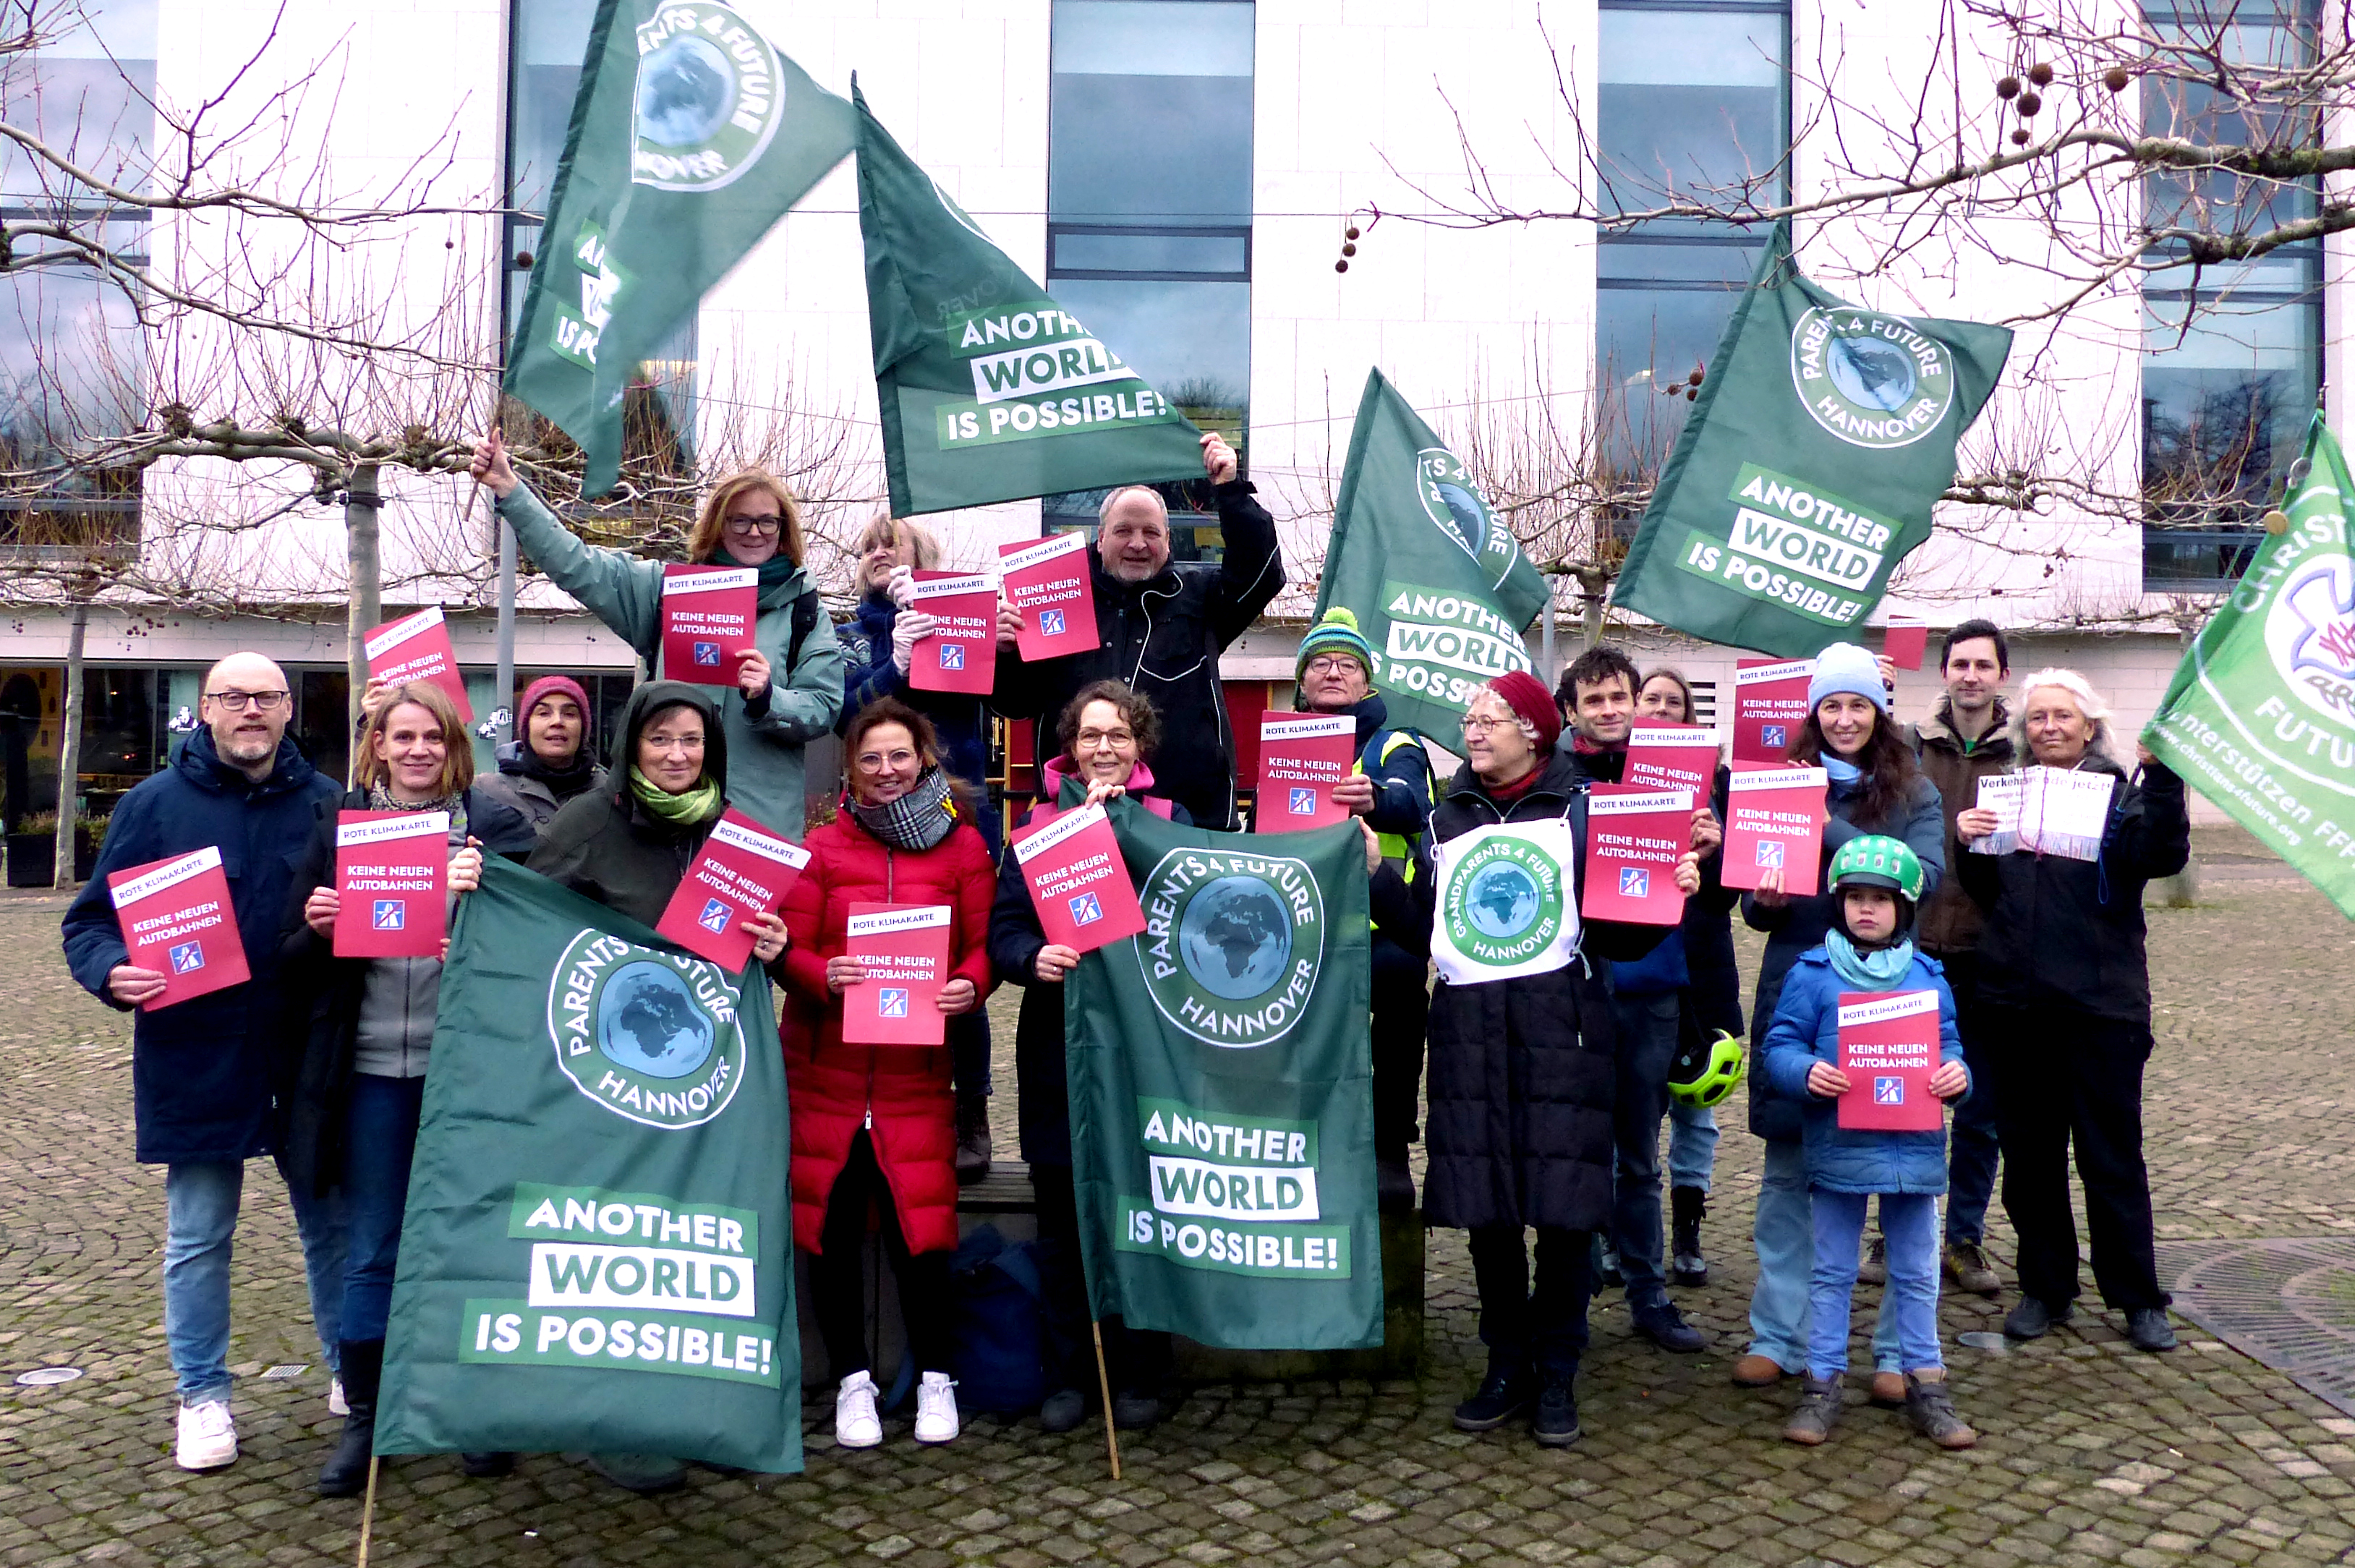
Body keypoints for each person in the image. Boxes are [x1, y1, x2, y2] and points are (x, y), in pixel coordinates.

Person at [1370, 670, 1705, 1447]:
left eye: (1489, 719)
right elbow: (1432, 932)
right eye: (1468, 718)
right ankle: (1505, 1361)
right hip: (1470, 1036)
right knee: (1489, 1209)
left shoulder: (1584, 808)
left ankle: (1557, 1366)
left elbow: (1619, 936)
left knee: (1560, 1211)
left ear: (1533, 730)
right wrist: (1380, 877)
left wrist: (1667, 892)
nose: (1473, 730)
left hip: (1566, 1033)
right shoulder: (1444, 816)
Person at [60, 653, 349, 1471]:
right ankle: (202, 1393)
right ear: (206, 709)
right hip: (196, 1049)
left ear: (290, 708)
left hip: (303, 1052)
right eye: (232, 696)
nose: (249, 709)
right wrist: (110, 970)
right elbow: (88, 923)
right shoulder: (152, 805)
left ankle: (348, 1369)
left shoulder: (331, 805)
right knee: (198, 1233)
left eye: (265, 696)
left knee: (329, 1225)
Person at [528, 680, 791, 1491]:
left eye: (692, 741)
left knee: (699, 1241)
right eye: (659, 739)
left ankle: (694, 1405)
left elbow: (756, 945)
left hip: (711, 1075)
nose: (677, 755)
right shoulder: (588, 823)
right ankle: (614, 1417)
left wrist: (775, 942)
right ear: (632, 745)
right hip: (607, 1080)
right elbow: (536, 931)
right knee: (620, 1245)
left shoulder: (735, 833)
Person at [277, 683, 537, 1496]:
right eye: (404, 736)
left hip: (464, 1071)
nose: (419, 748)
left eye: (434, 735)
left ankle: (475, 1408)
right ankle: (369, 1414)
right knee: (376, 1247)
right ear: (378, 744)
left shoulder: (492, 828)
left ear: (454, 744)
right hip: (369, 1075)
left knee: (476, 1241)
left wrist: (488, 888)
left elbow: (539, 939)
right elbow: (286, 956)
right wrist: (318, 928)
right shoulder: (337, 827)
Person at [780, 698, 997, 1449]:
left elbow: (981, 947)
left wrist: (969, 985)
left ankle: (937, 1374)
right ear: (850, 767)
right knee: (830, 1231)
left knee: (923, 1234)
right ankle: (851, 1381)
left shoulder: (964, 849)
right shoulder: (820, 848)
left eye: (898, 754)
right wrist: (819, 972)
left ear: (925, 758)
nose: (885, 770)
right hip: (826, 1070)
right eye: (869, 758)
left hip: (914, 1071)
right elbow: (787, 950)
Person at [1735, 642, 1946, 1403]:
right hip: (1803, 989)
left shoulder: (1914, 790)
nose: (1846, 718)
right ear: (1813, 713)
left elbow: (1921, 875)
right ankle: (1777, 1335)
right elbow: (1753, 904)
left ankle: (1895, 1350)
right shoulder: (1778, 783)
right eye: (1832, 705)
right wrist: (1760, 898)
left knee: (1896, 1174)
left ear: (1878, 711)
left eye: (1858, 704)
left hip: (1888, 998)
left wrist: (1821, 824)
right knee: (1789, 1172)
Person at [1956, 668, 2189, 1353]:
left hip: (2100, 1006)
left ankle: (2138, 1297)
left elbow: (2162, 856)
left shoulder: (2122, 794)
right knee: (2029, 1160)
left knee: (2110, 1157)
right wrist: (1969, 840)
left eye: (2063, 716)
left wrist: (2168, 780)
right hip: (2015, 1003)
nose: (2049, 727)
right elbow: (1985, 889)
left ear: (2089, 726)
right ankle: (2046, 1287)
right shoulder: (2006, 793)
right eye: (2037, 718)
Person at [468, 427, 844, 837]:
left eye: (767, 521)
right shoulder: (665, 590)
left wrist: (770, 698)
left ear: (783, 529)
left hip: (756, 828)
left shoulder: (804, 609)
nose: (754, 532)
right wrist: (512, 491)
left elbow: (824, 707)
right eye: (740, 520)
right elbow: (576, 562)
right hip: (662, 823)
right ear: (717, 526)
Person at [989, 681, 1186, 1433]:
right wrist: (1030, 954)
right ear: (1069, 745)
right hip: (1055, 1046)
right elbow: (1002, 929)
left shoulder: (1172, 822)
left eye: (1120, 734)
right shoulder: (1036, 827)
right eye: (1091, 734)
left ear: (1142, 747)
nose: (1104, 746)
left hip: (1144, 1050)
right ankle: (1070, 1370)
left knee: (1140, 1216)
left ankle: (1141, 1367)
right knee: (1064, 1218)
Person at [1760, 835, 1975, 1449]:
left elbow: (1951, 1047)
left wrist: (1958, 1078)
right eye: (1855, 898)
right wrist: (1804, 1073)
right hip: (1838, 1145)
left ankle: (1926, 1382)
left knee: (1916, 1271)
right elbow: (1780, 1045)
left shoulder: (1929, 977)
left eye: (1881, 900)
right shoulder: (1812, 973)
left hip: (1914, 1152)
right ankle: (1821, 1383)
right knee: (1830, 1270)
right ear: (1838, 903)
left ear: (1904, 908)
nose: (1867, 910)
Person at [1553, 644, 1716, 1355]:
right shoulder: (1553, 779)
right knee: (1576, 1149)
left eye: (1619, 695)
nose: (1610, 710)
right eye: (1594, 701)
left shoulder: (1677, 773)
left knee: (1641, 1155)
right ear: (1571, 711)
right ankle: (1575, 1292)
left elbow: (1716, 898)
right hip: (1574, 985)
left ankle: (1649, 1295)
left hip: (1653, 984)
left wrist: (1706, 852)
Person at [992, 432, 1281, 830]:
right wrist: (1003, 654)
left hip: (1191, 819)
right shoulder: (1054, 601)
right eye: (1125, 531)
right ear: (1100, 540)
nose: (1138, 544)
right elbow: (1015, 704)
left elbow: (1260, 573)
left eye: (1151, 533)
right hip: (1075, 815)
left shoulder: (1202, 599)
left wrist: (1230, 491)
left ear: (1168, 541)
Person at [838, 513, 1000, 1185]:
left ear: (921, 555)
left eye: (891, 544)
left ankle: (973, 1108)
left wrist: (975, 631)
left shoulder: (962, 611)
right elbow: (844, 713)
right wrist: (892, 665)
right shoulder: (843, 633)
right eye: (869, 546)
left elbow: (988, 700)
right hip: (875, 816)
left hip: (956, 813)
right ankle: (886, 1108)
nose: (879, 553)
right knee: (883, 962)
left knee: (963, 971)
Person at [1288, 608, 1436, 1211]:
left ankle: (1389, 1148)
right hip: (1305, 919)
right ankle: (1305, 1140)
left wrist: (1374, 798)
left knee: (1401, 1000)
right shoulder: (1283, 737)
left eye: (1346, 664)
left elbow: (1413, 802)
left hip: (1383, 922)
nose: (1332, 673)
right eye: (1320, 663)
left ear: (1366, 681)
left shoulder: (1395, 742)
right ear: (1301, 679)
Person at [1905, 620, 2015, 1298]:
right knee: (1908, 1097)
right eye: (1959, 664)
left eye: (1983, 665)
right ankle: (1900, 1232)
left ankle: (1965, 1239)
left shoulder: (2025, 750)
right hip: (1912, 948)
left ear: (2002, 674)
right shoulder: (1912, 749)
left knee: (1980, 1105)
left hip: (1989, 950)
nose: (1970, 675)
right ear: (1944, 672)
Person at [1632, 665, 1747, 1290]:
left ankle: (1688, 1225)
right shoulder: (1614, 778)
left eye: (1673, 703)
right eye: (1650, 700)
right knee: (1636, 1105)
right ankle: (1629, 1228)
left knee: (1696, 1105)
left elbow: (1734, 894)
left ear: (1689, 718)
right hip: (1637, 961)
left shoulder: (1719, 783)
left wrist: (1718, 846)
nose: (1660, 710)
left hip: (1703, 961)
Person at [473, 674, 608, 831]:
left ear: (583, 729)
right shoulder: (485, 791)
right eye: (544, 713)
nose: (557, 722)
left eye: (570, 714)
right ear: (526, 728)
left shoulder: (611, 793)